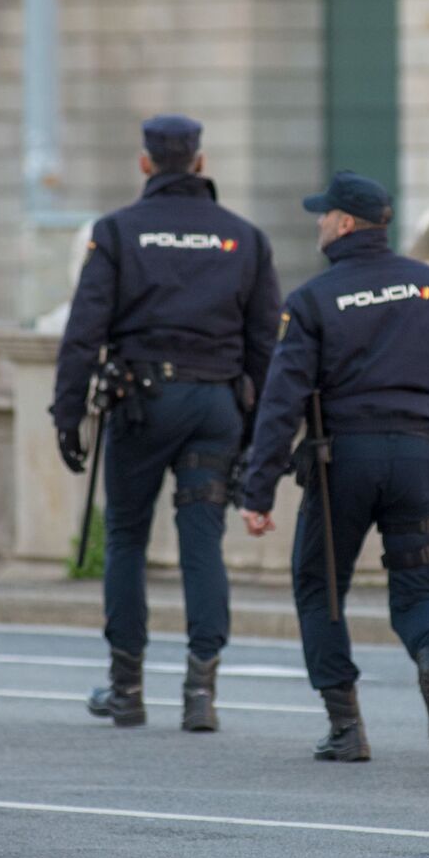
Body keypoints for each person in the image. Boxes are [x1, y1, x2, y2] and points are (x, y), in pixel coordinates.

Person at [50, 114, 280, 733]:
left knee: (125, 537)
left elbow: (83, 334)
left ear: (146, 163)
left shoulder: (118, 232)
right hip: (216, 410)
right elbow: (266, 351)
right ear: (200, 163)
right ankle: (201, 693)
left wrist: (66, 414)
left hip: (141, 406)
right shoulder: (245, 238)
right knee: (201, 541)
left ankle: (126, 690)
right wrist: (259, 437)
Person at [238, 170, 429, 762]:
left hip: (344, 461)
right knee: (416, 590)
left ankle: (346, 726)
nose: (318, 223)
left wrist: (256, 489)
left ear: (343, 224)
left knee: (320, 587)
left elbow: (281, 401)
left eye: (323, 215)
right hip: (418, 457)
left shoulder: (313, 299)